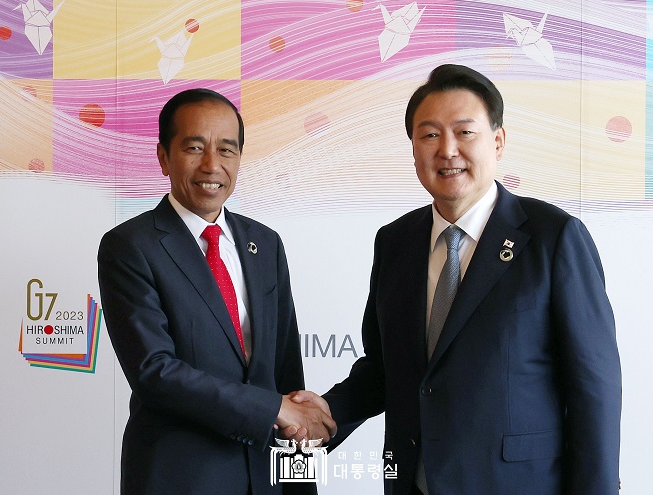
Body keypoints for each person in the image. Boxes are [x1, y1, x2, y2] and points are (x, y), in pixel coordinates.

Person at [291, 64, 622, 494]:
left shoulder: (553, 237)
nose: (447, 150)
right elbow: (386, 369)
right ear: (413, 149)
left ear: (497, 141)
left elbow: (594, 386)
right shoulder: (395, 242)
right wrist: (326, 412)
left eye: (465, 132)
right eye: (429, 135)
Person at [98, 88, 335, 495]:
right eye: (194, 147)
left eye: (227, 150)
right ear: (163, 157)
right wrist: (272, 409)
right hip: (181, 479)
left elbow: (286, 374)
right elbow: (155, 372)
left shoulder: (265, 244)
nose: (212, 164)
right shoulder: (130, 246)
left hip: (265, 477)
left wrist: (301, 482)